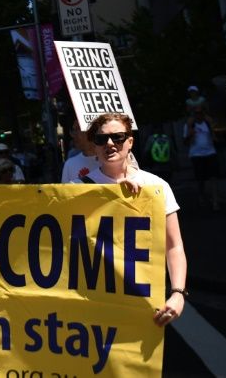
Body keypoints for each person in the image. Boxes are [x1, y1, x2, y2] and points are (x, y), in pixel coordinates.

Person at [79, 113, 187, 327]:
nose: (109, 143)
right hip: (91, 299)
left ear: (130, 142)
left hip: (140, 302)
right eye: (101, 139)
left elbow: (173, 245)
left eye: (118, 137)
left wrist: (178, 293)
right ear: (94, 146)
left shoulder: (156, 187)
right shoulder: (77, 189)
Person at [183, 106, 219, 210]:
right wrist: (190, 135)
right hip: (196, 155)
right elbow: (185, 142)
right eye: (197, 114)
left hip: (210, 152)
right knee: (200, 179)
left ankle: (215, 201)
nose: (199, 115)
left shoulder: (208, 124)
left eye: (201, 113)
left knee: (213, 177)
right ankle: (201, 197)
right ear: (194, 115)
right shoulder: (190, 126)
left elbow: (215, 137)